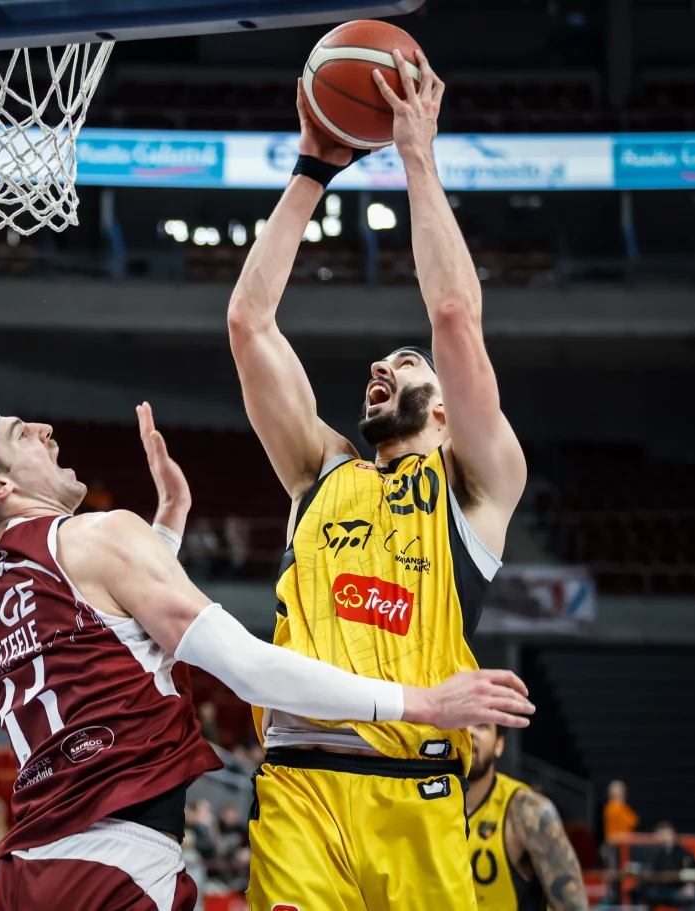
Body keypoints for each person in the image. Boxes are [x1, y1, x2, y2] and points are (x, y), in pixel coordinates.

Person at [0, 381, 532, 911]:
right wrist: (419, 704)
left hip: (28, 868)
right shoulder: (101, 534)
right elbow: (248, 669)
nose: (42, 429)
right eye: (19, 436)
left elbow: (109, 639)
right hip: (118, 865)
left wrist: (168, 521)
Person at [226, 51, 532, 910]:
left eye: (404, 365)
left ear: (442, 416)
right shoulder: (319, 471)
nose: (380, 365)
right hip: (301, 792)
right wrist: (312, 170)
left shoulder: (477, 487)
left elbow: (453, 315)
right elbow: (249, 322)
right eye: (381, 360)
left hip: (417, 790)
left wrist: (416, 157)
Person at [465, 723, 587, 910]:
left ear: (499, 744)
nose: (470, 731)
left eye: (481, 726)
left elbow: (574, 906)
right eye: (461, 723)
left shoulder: (527, 811)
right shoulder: (419, 808)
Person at [635, 821, 695, 911]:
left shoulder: (683, 852)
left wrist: (690, 884)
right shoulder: (655, 851)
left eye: (664, 834)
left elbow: (694, 870)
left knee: (689, 897)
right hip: (659, 888)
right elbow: (651, 869)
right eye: (660, 834)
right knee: (640, 891)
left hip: (678, 888)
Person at [603, 779, 638, 846]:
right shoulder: (611, 809)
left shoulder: (624, 808)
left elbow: (633, 822)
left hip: (626, 845)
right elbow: (611, 836)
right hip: (616, 846)